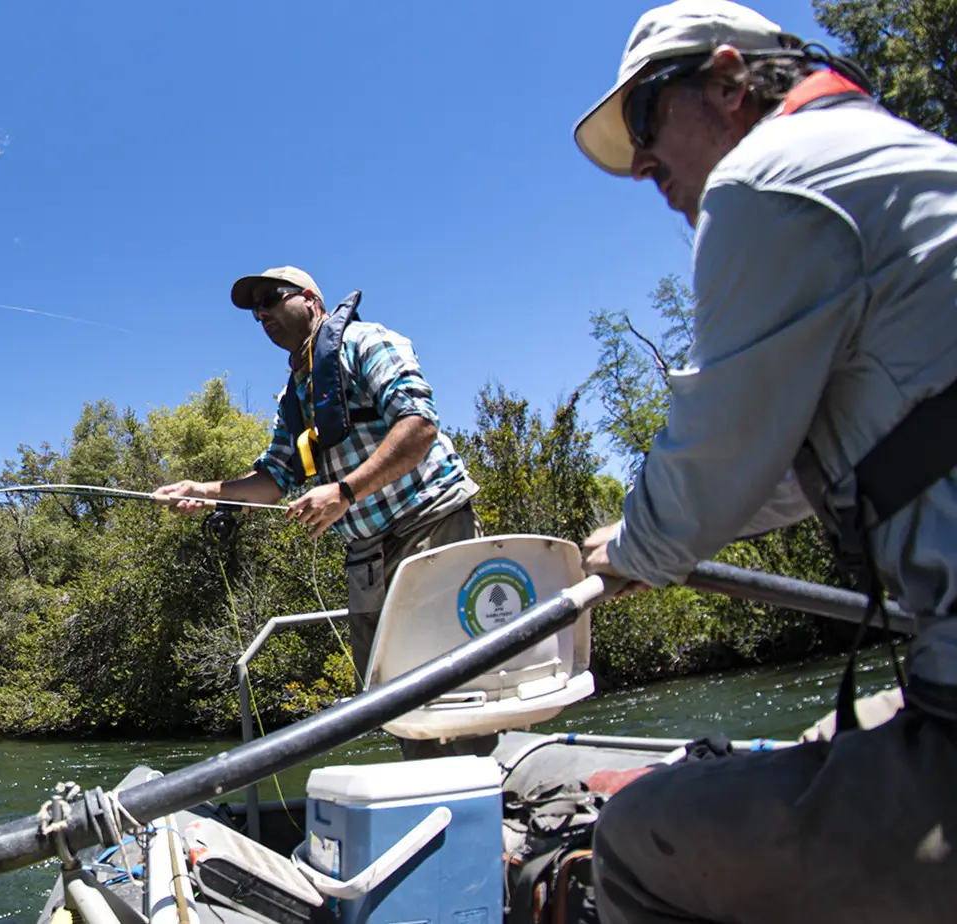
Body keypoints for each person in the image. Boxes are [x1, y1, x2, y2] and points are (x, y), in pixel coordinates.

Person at [569, 1, 957, 921]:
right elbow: (797, 472)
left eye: (649, 122)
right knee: (829, 735)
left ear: (731, 80)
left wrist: (634, 550)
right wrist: (642, 541)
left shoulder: (767, 180)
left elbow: (711, 468)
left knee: (630, 845)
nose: (647, 167)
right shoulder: (899, 162)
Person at [153, 266, 484, 760]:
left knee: (454, 692)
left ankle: (480, 801)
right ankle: (435, 802)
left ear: (310, 299)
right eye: (254, 309)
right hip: (367, 555)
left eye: (270, 298)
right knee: (391, 700)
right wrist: (206, 491)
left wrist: (345, 492)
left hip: (431, 526)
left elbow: (419, 427)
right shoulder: (294, 397)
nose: (261, 312)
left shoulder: (367, 342)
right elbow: (273, 479)